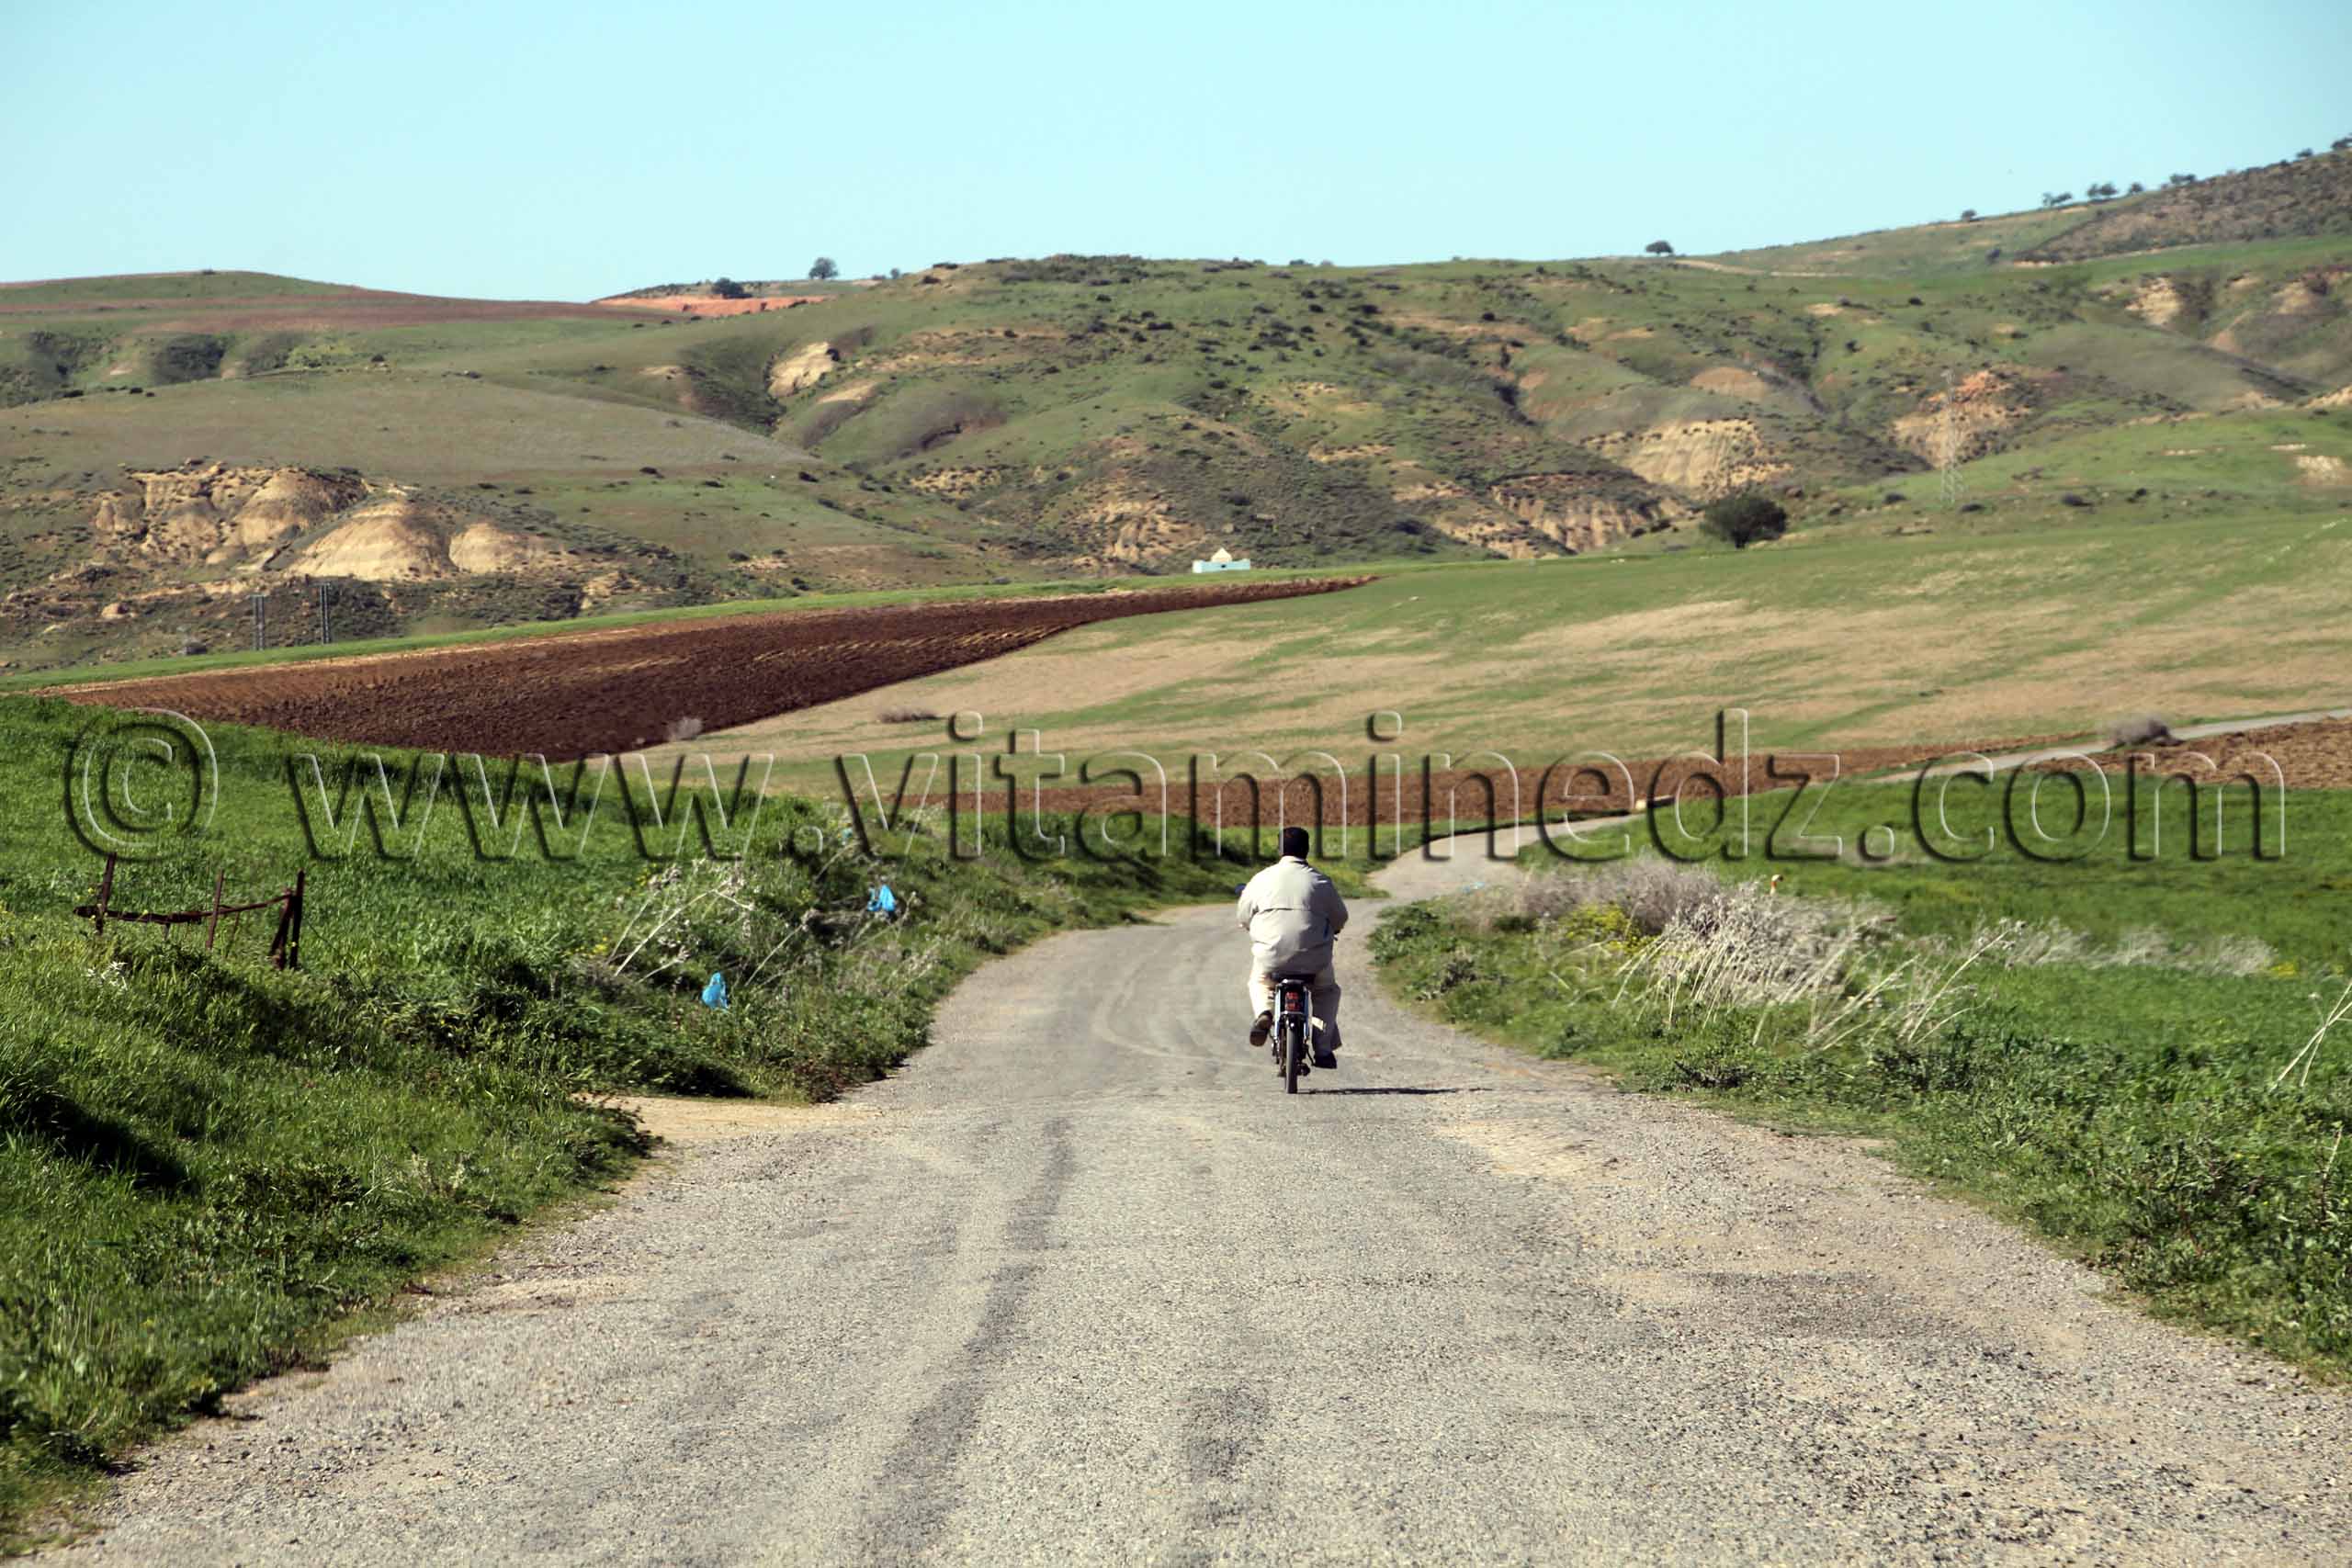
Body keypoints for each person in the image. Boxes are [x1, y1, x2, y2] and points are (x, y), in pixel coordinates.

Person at [1236, 825, 1348, 1071]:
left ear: (1279, 850)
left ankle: (1264, 1013)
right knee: (1326, 991)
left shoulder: (1261, 879)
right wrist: (1333, 928)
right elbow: (1340, 917)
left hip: (1271, 956)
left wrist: (1251, 925)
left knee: (1260, 982)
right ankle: (1323, 1049)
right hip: (1314, 958)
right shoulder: (1320, 881)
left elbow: (1243, 915)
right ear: (1307, 849)